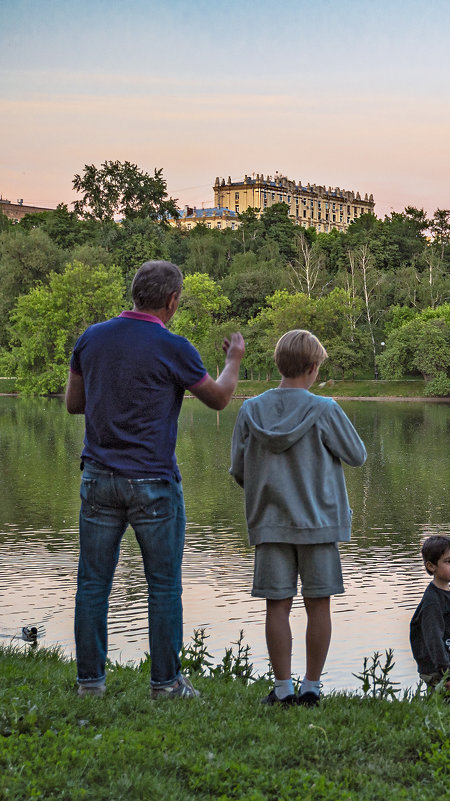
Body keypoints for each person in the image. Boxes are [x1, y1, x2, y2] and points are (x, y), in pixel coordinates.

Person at [66, 260, 245, 699]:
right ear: (172, 301)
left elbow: (74, 403)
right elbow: (220, 398)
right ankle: (165, 684)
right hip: (153, 483)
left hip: (99, 479)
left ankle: (91, 683)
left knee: (93, 583)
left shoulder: (91, 338)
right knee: (163, 585)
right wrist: (233, 359)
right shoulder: (174, 347)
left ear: (134, 293)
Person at [230, 330, 367, 707]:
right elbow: (357, 455)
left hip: (270, 522)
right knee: (318, 603)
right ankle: (311, 686)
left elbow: (238, 470)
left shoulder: (249, 410)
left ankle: (282, 687)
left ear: (278, 364)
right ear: (313, 367)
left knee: (278, 604)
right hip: (319, 523)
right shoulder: (325, 409)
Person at [410, 535, 450, 695]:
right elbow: (432, 638)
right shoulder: (432, 600)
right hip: (437, 668)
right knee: (442, 706)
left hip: (449, 666)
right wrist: (446, 673)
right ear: (431, 566)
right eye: (448, 561)